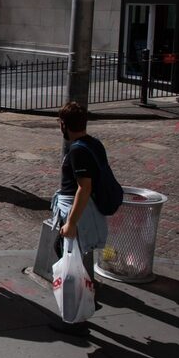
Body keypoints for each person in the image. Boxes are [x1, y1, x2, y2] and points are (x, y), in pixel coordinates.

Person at [55, 101, 110, 275]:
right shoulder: (95, 144)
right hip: (83, 210)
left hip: (78, 212)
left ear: (64, 125)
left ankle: (82, 295)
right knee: (67, 251)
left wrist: (71, 223)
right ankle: (83, 289)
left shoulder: (78, 151)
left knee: (69, 253)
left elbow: (84, 188)